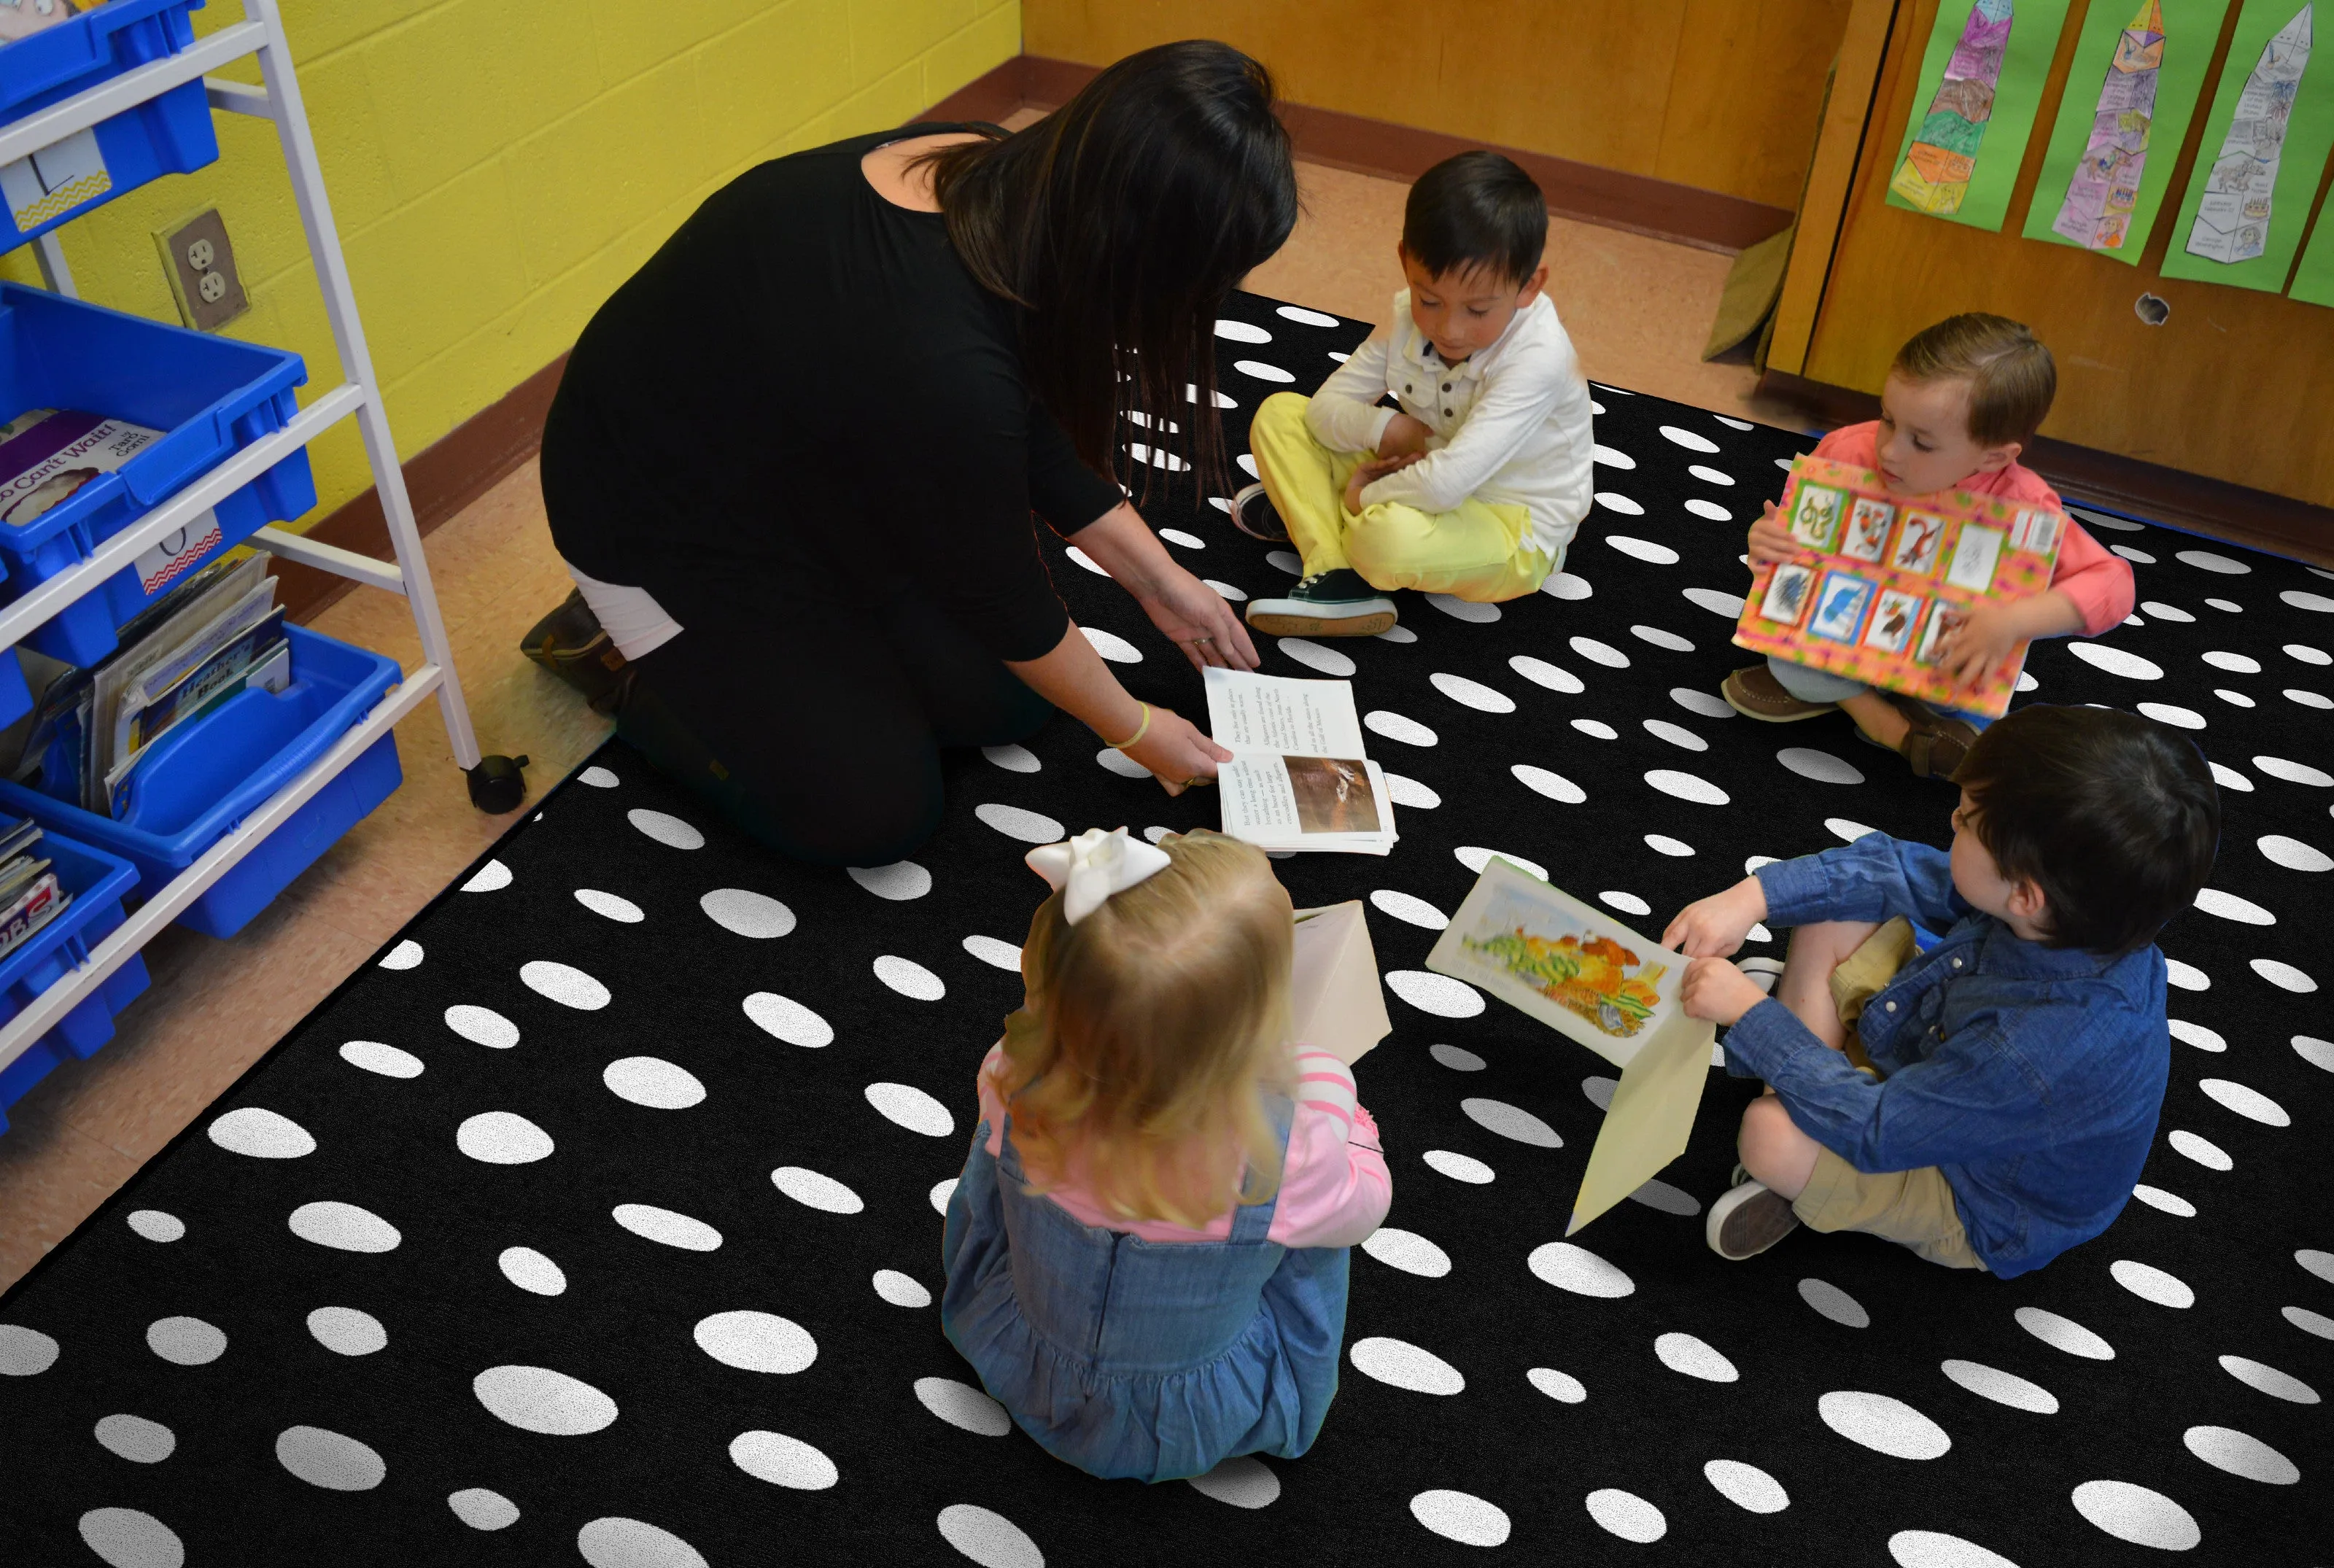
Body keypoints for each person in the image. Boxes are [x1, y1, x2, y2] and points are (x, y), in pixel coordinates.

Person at [536, 44, 1296, 865]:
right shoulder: (936, 360)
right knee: (873, 812)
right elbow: (1002, 590)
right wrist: (1139, 729)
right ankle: (619, 659)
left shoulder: (987, 171)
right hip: (657, 528)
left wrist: (1160, 581)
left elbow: (1024, 413)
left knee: (1007, 704)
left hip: (809, 470)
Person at [1661, 705, 2219, 1278]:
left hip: (1975, 1192)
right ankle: (1806, 1077)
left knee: (1768, 1135)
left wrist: (1753, 1017)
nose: (1952, 819)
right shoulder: (2070, 916)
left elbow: (1880, 1128)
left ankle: (1801, 1135)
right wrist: (1751, 898)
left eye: (1968, 821)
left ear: (2025, 895)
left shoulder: (2030, 1050)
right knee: (1838, 907)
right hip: (1940, 1066)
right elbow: (1894, 872)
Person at [942, 828, 1390, 1481]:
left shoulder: (1012, 1076)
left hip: (1016, 1351)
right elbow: (1365, 1208)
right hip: (1185, 1418)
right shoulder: (1283, 1152)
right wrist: (1331, 1087)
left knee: (996, 1149)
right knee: (1315, 1222)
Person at [1721, 314, 2134, 779]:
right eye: (1887, 419)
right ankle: (1883, 722)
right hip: (1844, 628)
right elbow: (1795, 554)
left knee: (1968, 689)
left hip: (1940, 656)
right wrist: (1766, 543)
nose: (1890, 451)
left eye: (1922, 442)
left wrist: (2012, 622)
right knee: (1789, 661)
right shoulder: (1847, 453)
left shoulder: (2024, 506)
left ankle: (1880, 705)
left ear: (1994, 456)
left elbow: (2114, 584)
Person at [1237, 151, 1594, 637]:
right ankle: (1336, 571)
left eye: (1478, 309)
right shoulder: (1406, 312)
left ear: (1529, 286)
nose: (1449, 328)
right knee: (1280, 414)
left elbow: (1445, 486)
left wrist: (1365, 496)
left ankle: (1321, 522)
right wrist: (1389, 427)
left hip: (1512, 525)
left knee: (1384, 540)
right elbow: (1325, 410)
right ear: (1405, 260)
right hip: (1424, 469)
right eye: (1430, 300)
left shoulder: (1540, 357)